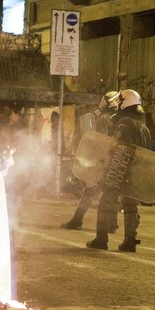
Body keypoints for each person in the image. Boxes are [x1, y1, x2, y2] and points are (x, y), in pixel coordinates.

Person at [87, 89, 151, 252]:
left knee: (107, 201)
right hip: (135, 172)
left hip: (120, 170)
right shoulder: (143, 125)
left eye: (121, 100)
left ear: (126, 102)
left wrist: (109, 171)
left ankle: (101, 238)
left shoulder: (125, 123)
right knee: (130, 205)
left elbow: (120, 149)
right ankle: (130, 240)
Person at [61, 91, 119, 230]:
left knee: (90, 191)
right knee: (112, 194)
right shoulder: (121, 119)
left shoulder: (104, 118)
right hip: (116, 161)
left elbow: (101, 141)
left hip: (102, 161)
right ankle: (112, 224)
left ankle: (77, 220)